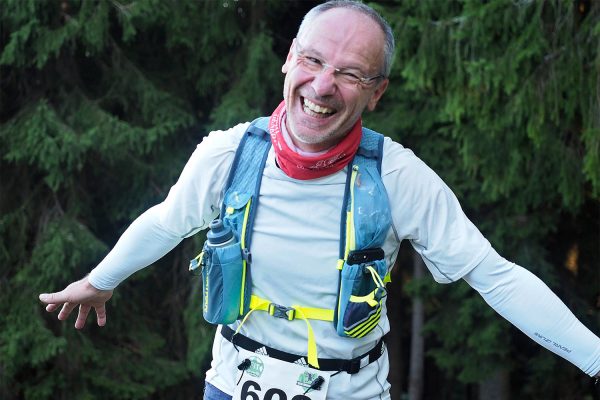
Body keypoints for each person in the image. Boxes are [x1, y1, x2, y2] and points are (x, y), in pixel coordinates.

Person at [39, 1, 600, 399]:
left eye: (350, 73)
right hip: (230, 386)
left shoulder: (400, 177)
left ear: (376, 93)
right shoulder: (230, 154)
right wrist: (101, 280)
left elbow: (495, 276)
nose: (324, 84)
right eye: (313, 60)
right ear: (289, 59)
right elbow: (166, 222)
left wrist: (595, 357)